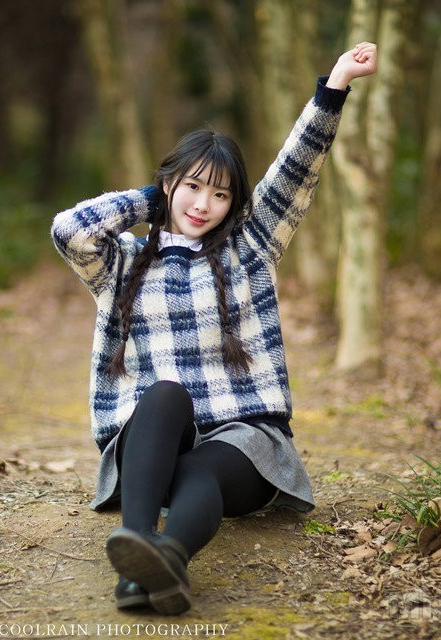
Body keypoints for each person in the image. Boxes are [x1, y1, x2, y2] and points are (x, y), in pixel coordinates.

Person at [51, 43, 377, 615]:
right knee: (165, 393)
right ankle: (141, 551)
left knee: (203, 464)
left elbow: (296, 170)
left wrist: (336, 87)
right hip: (152, 445)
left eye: (221, 194)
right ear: (171, 184)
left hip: (244, 443)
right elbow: (69, 229)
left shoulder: (252, 249)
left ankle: (158, 562)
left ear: (235, 204)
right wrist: (152, 200)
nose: (204, 205)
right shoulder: (124, 261)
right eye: (193, 187)